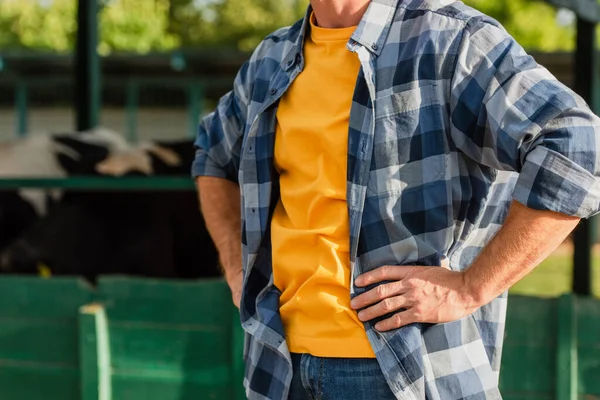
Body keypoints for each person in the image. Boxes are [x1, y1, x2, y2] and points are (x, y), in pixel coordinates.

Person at [192, 0, 600, 398]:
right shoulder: (271, 58)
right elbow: (214, 153)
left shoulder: (451, 39)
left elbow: (579, 144)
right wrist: (235, 264)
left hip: (404, 372)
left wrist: (470, 288)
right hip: (278, 368)